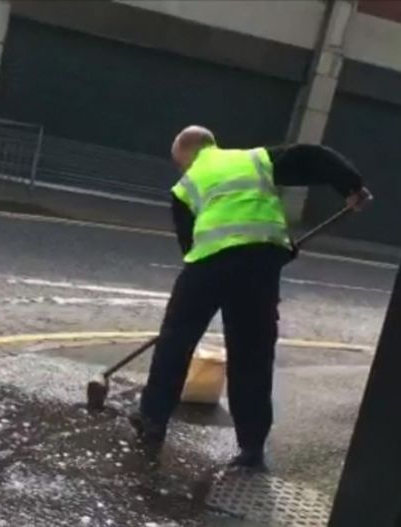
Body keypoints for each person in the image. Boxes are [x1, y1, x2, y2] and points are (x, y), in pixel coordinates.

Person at [131, 125, 371, 471]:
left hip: (208, 265)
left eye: (179, 162)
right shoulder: (254, 160)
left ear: (186, 155)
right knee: (252, 354)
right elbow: (311, 156)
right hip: (260, 262)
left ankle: (152, 420)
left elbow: (189, 244)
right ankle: (251, 448)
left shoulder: (185, 185)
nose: (181, 168)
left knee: (175, 341)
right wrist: (351, 186)